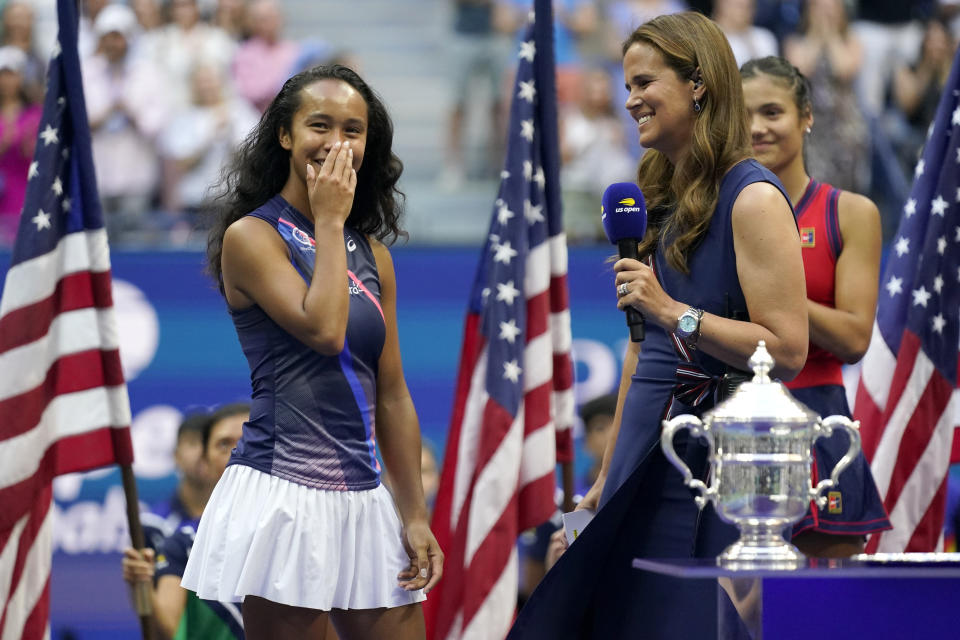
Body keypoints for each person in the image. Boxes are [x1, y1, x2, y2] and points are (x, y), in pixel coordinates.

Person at [508, 12, 808, 639]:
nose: (630, 100)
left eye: (645, 82)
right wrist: (604, 479)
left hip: (711, 459)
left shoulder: (752, 197)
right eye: (627, 87)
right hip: (644, 445)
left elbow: (787, 350)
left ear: (698, 85)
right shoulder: (655, 193)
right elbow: (642, 354)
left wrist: (675, 312)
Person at [180, 64, 443, 640]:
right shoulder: (252, 237)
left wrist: (415, 514)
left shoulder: (373, 253)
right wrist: (327, 220)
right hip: (282, 491)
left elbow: (393, 393)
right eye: (319, 125)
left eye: (354, 129)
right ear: (284, 135)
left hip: (365, 492)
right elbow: (323, 329)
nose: (337, 142)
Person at [741, 55, 892, 557]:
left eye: (771, 112)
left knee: (820, 613)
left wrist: (775, 298)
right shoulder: (710, 213)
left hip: (819, 424)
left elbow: (853, 338)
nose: (757, 129)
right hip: (731, 422)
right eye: (742, 117)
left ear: (806, 116)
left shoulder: (850, 213)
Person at [124, 404, 249, 639]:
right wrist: (142, 588)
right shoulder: (185, 543)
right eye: (224, 444)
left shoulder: (302, 532)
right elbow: (169, 631)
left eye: (249, 439)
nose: (238, 451)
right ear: (206, 462)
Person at [784, 0, 869, 195]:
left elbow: (844, 70)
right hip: (810, 128)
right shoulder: (795, 42)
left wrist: (830, 35)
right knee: (815, 190)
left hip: (844, 127)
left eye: (831, 9)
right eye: (820, 9)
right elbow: (800, 71)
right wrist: (815, 35)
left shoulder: (852, 41)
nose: (826, 15)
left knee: (846, 190)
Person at [0, 45, 40, 247]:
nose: (7, 81)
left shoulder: (35, 113)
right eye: (3, 75)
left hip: (24, 197)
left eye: (12, 74)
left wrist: (30, 147)